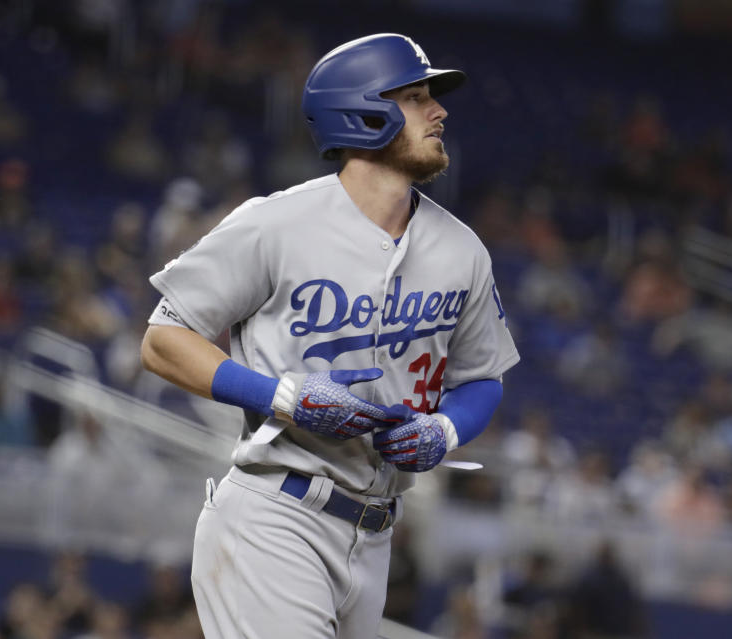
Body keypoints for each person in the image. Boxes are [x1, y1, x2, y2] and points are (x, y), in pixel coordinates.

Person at [141, 33, 519, 639]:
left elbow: (482, 378)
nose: (439, 111)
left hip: (377, 537)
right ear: (363, 112)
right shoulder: (276, 223)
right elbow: (163, 339)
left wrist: (444, 429)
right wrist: (283, 398)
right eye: (417, 97)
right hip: (277, 514)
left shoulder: (462, 250)